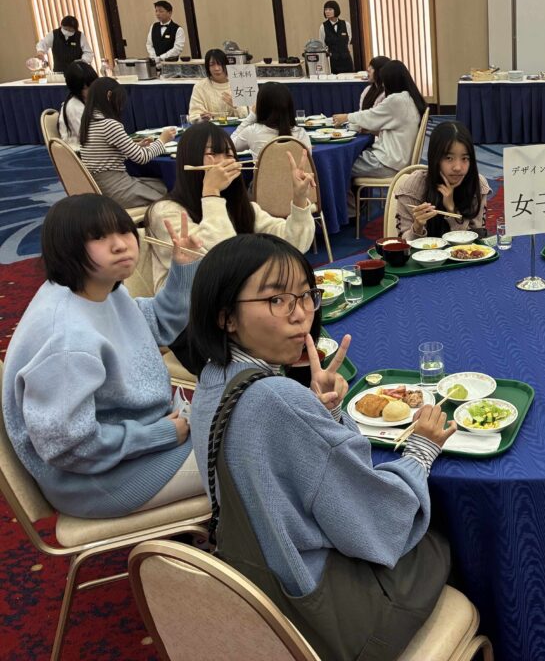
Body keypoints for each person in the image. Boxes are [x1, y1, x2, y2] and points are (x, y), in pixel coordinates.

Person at [188, 233, 453, 659]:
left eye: (305, 295)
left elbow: (281, 475)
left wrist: (322, 413)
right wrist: (420, 450)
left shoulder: (211, 377)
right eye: (277, 299)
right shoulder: (276, 398)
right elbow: (379, 522)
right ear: (226, 317)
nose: (301, 315)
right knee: (442, 543)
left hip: (259, 597)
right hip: (318, 617)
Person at [2, 194, 205, 518]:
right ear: (66, 248)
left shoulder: (96, 290)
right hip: (98, 480)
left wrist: (183, 268)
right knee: (247, 453)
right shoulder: (67, 340)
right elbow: (69, 447)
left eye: (124, 231)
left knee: (244, 427)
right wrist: (160, 435)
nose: (120, 245)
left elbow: (157, 323)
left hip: (130, 446)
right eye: (98, 237)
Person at [146, 121, 315, 291]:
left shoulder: (239, 207)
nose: (224, 162)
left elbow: (294, 244)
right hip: (191, 301)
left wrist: (300, 198)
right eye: (213, 153)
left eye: (229, 154)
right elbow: (218, 264)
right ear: (191, 158)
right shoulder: (165, 212)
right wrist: (211, 191)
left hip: (239, 296)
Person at [79, 77, 171, 207]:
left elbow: (104, 154)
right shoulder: (109, 124)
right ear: (109, 96)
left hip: (99, 187)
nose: (121, 106)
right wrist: (162, 140)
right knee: (167, 194)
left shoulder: (88, 122)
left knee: (160, 186)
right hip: (116, 188)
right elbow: (142, 158)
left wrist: (135, 146)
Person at [394, 120, 490, 240]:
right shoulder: (412, 188)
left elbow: (476, 241)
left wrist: (452, 210)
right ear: (435, 158)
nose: (458, 167)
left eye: (465, 158)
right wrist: (417, 227)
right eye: (449, 158)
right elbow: (403, 243)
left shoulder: (477, 185)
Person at [333, 60, 426, 178]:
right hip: (398, 160)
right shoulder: (410, 98)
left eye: (384, 82)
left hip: (388, 163)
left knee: (338, 165)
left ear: (390, 81)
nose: (383, 85)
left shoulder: (396, 100)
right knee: (345, 160)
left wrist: (346, 117)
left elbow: (371, 116)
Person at [231, 82, 312, 161]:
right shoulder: (301, 134)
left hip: (263, 171)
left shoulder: (252, 132)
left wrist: (252, 115)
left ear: (261, 106)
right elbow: (307, 164)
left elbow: (230, 146)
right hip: (297, 171)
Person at [188, 49, 249, 123]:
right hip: (210, 128)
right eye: (212, 65)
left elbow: (250, 115)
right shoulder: (200, 87)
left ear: (226, 65)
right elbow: (194, 116)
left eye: (220, 64)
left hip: (238, 127)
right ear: (207, 67)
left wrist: (236, 105)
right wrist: (202, 118)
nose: (216, 68)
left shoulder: (240, 83)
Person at [57, 61, 98, 147]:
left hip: (93, 145)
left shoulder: (89, 99)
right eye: (86, 88)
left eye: (93, 85)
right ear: (76, 89)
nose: (91, 90)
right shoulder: (74, 106)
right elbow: (87, 138)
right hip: (79, 149)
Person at [319, 0, 354, 74]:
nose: (327, 11)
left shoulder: (346, 24)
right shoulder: (323, 27)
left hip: (346, 60)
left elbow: (348, 40)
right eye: (326, 9)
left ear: (336, 10)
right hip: (332, 62)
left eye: (330, 9)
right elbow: (322, 45)